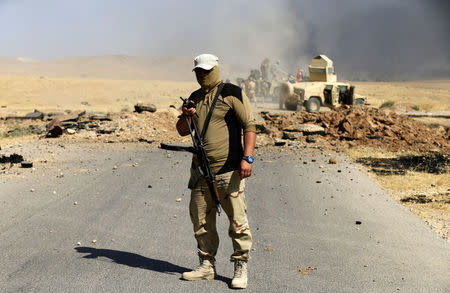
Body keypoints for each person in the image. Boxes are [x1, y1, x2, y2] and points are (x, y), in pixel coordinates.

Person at [176, 53, 256, 289]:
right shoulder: (194, 98)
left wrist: (247, 157)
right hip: (200, 171)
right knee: (200, 219)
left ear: (215, 70)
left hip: (229, 170)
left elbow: (249, 126)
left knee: (237, 221)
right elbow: (182, 130)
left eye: (206, 71)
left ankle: (240, 266)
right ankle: (206, 265)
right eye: (198, 71)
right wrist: (186, 114)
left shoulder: (232, 93)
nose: (202, 75)